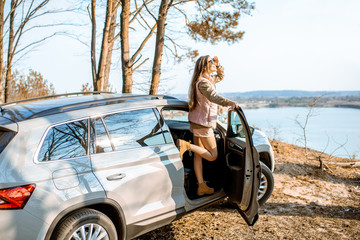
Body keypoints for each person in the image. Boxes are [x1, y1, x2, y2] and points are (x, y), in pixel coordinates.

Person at [177, 55, 239, 196]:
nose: (213, 64)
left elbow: (220, 77)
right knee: (213, 156)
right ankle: (186, 146)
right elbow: (213, 97)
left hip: (197, 123)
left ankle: (201, 186)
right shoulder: (204, 83)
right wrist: (230, 103)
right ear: (204, 66)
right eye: (210, 62)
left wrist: (218, 64)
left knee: (198, 156)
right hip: (203, 124)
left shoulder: (205, 80)